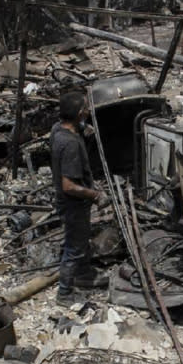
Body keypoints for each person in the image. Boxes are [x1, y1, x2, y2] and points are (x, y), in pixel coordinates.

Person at [50, 91, 109, 307]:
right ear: (78, 113)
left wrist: (83, 130)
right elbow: (69, 186)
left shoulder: (58, 130)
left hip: (67, 203)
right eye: (85, 108)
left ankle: (83, 274)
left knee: (80, 240)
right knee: (74, 247)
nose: (89, 110)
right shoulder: (71, 145)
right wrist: (96, 195)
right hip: (73, 204)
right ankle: (64, 293)